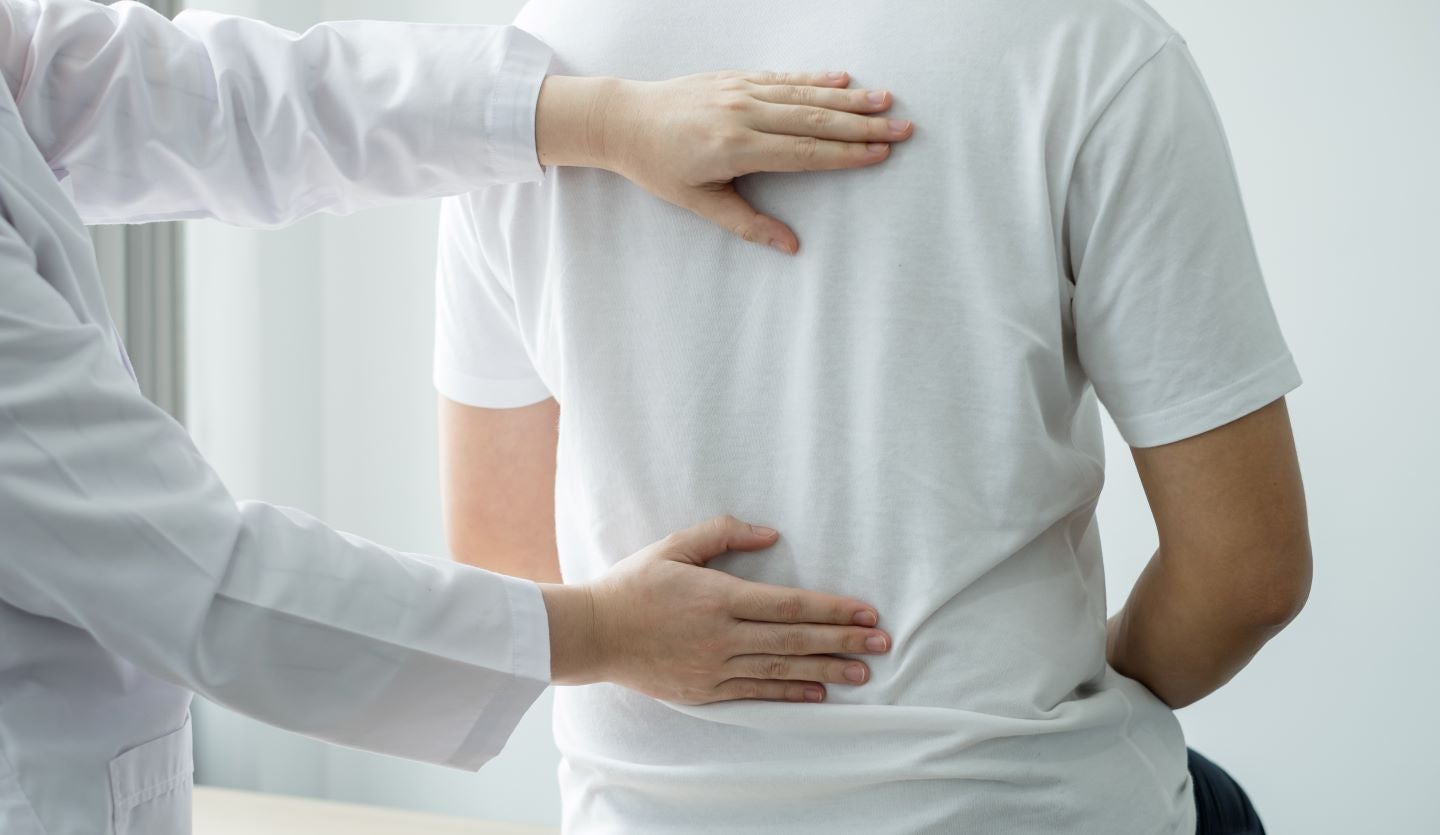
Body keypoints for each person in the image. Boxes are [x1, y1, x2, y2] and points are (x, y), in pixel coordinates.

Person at [0, 0, 919, 832]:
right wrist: (602, 632)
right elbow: (193, 577)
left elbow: (207, 97)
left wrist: (600, 119)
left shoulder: (568, 49)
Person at [434, 0, 1312, 833]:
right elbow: (1248, 579)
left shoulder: (529, 82)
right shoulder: (1092, 46)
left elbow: (502, 557)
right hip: (1016, 799)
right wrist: (1095, 677)